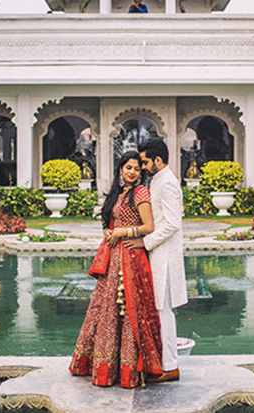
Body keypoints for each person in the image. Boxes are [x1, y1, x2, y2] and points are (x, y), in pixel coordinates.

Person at [69, 150, 164, 388]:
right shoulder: (117, 193)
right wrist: (108, 231)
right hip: (113, 258)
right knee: (106, 310)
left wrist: (123, 232)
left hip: (131, 258)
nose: (132, 172)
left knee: (129, 309)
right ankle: (104, 366)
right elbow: (108, 221)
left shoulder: (141, 192)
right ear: (120, 169)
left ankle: (129, 369)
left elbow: (149, 226)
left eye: (136, 168)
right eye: (128, 167)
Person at [138, 138, 187, 382]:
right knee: (159, 311)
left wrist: (144, 243)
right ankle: (164, 363)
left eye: (146, 161)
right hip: (158, 256)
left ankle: (170, 367)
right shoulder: (159, 180)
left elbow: (172, 224)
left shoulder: (167, 183)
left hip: (165, 258)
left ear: (158, 160)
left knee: (163, 312)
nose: (143, 166)